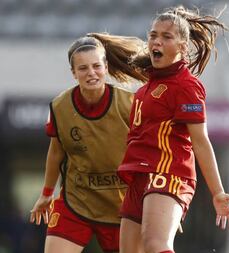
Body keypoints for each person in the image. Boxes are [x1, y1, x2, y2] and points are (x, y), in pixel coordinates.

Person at [88, 6, 229, 253]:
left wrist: (218, 192)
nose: (156, 41)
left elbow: (200, 141)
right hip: (139, 176)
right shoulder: (148, 86)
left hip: (168, 172)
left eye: (166, 37)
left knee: (155, 245)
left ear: (182, 46)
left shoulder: (186, 86)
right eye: (153, 35)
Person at [29, 34, 145, 253]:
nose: (91, 73)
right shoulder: (60, 107)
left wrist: (155, 202)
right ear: (74, 73)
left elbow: (148, 152)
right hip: (76, 201)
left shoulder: (129, 103)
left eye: (96, 66)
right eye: (83, 68)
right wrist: (46, 193)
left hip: (120, 205)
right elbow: (56, 153)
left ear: (106, 67)